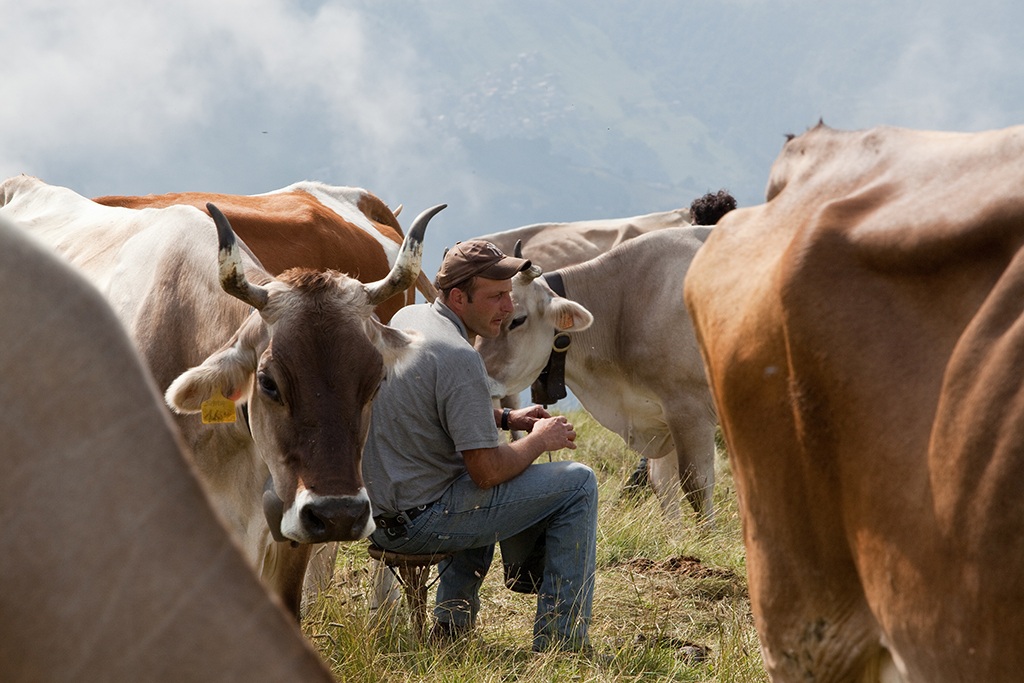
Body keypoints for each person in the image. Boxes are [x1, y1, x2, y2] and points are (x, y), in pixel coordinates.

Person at [362, 239, 598, 653]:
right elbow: (487, 470)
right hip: (421, 524)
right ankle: (562, 643)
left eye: (509, 295)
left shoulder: (411, 316)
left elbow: (437, 408)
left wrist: (509, 419)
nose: (508, 307)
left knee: (470, 480)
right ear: (458, 297)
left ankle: (452, 627)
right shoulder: (459, 357)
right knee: (578, 482)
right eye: (496, 297)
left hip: (384, 515)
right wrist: (540, 441)